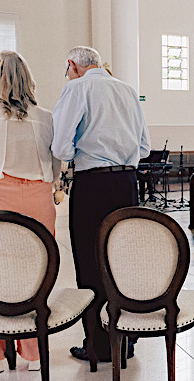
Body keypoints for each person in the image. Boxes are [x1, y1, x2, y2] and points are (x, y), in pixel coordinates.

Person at [51, 46, 150, 364]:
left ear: (72, 65)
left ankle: (99, 344)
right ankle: (127, 338)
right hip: (127, 184)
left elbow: (61, 146)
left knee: (91, 263)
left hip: (93, 185)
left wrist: (79, 151)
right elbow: (144, 148)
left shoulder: (77, 88)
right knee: (122, 262)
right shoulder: (127, 90)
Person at [0, 51, 58, 372]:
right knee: (35, 271)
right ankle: (33, 352)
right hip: (37, 199)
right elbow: (56, 166)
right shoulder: (46, 117)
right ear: (28, 78)